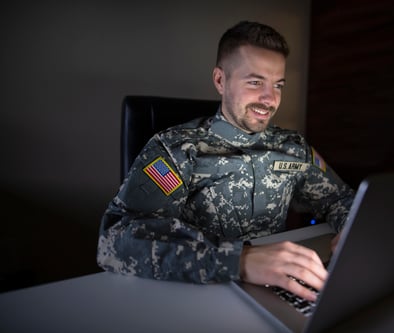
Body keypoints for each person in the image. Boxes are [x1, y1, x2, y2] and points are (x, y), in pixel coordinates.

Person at [97, 21, 354, 302]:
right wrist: (238, 261)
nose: (270, 99)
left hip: (274, 291)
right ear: (220, 80)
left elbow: (340, 199)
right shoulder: (177, 149)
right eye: (255, 82)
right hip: (198, 292)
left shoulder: (293, 147)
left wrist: (352, 229)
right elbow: (115, 241)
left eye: (278, 85)